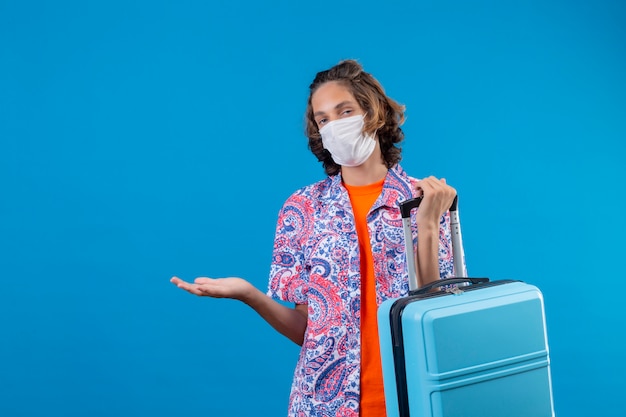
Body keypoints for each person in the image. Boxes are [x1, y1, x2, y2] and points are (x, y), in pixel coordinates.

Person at [171, 59, 456, 417]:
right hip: (323, 406)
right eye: (323, 119)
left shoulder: (427, 199)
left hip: (414, 399)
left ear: (375, 113)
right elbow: (305, 329)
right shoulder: (302, 209)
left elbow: (439, 318)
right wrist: (248, 294)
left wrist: (428, 225)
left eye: (345, 111)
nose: (334, 126)